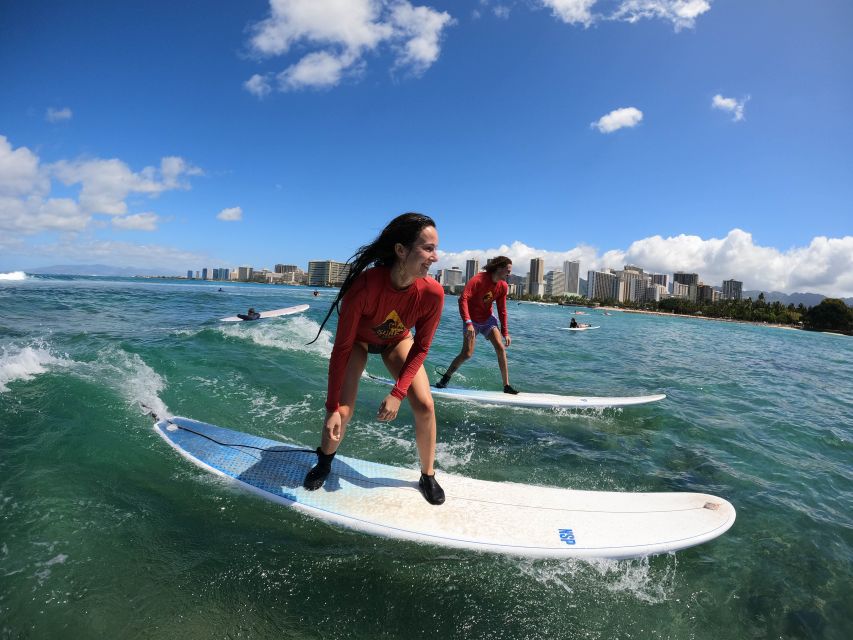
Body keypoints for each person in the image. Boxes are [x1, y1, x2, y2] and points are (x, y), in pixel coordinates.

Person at [303, 212, 446, 505]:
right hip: (358, 344)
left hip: (397, 342)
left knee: (425, 404)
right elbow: (341, 349)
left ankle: (428, 475)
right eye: (428, 248)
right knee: (342, 411)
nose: (435, 257)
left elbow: (420, 347)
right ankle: (325, 461)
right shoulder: (365, 286)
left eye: (435, 249)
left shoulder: (432, 293)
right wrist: (331, 407)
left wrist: (397, 393)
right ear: (401, 250)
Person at [435, 256, 518, 394]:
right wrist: (468, 322)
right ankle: (446, 378)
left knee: (500, 347)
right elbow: (463, 299)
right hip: (471, 320)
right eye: (508, 270)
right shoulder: (479, 279)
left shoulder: (502, 286)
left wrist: (506, 332)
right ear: (499, 268)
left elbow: (502, 310)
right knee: (467, 354)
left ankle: (506, 386)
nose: (509, 274)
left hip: (487, 319)